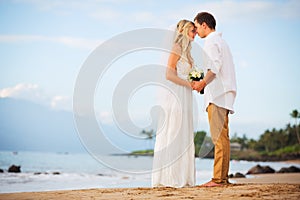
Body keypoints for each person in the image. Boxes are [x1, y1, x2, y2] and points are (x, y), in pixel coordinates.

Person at [192, 12, 237, 187]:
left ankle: (218, 179)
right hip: (224, 95)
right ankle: (222, 178)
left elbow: (215, 67)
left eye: (196, 27)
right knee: (223, 137)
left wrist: (202, 83)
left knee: (218, 138)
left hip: (217, 96)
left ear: (204, 25)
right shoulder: (221, 42)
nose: (195, 31)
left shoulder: (211, 42)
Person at [152, 19, 197, 188]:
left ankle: (183, 176)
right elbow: (169, 75)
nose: (195, 34)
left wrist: (193, 80)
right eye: (192, 31)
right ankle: (170, 177)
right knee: (174, 131)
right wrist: (189, 84)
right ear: (184, 31)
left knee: (184, 133)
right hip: (176, 94)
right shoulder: (176, 48)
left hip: (185, 94)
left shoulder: (188, 51)